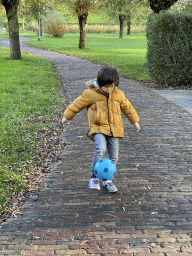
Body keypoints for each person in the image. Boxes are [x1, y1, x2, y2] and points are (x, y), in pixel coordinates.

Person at [62, 67, 140, 193]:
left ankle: (107, 180)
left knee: (114, 156)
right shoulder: (90, 94)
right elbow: (76, 104)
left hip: (115, 129)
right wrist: (66, 116)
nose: (109, 89)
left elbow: (128, 108)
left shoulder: (119, 95)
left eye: (112, 86)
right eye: (106, 87)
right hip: (98, 127)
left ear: (116, 84)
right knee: (101, 148)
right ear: (100, 83)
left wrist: (135, 121)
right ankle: (93, 177)